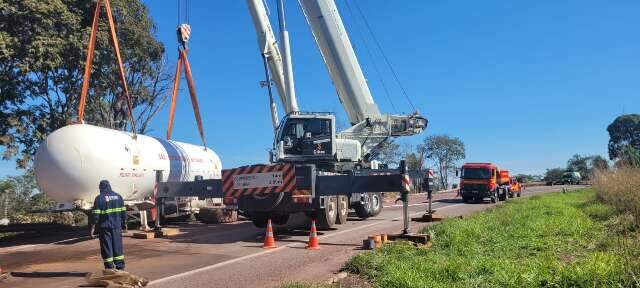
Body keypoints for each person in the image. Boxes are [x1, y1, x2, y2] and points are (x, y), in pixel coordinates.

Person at [90, 180, 127, 270]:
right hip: (116, 226)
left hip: (105, 227)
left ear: (101, 187)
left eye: (99, 187)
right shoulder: (118, 197)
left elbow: (95, 215)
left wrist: (93, 227)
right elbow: (123, 212)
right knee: (117, 246)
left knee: (107, 247)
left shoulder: (99, 198)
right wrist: (125, 224)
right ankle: (120, 266)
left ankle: (109, 267)